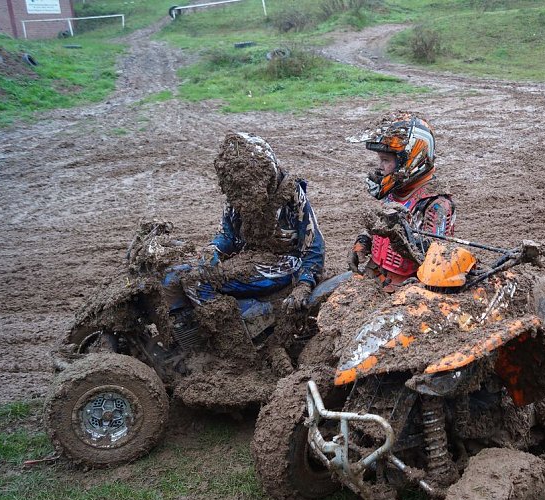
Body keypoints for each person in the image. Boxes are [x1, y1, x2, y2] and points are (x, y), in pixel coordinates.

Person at [164, 132, 325, 340]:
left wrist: (304, 283)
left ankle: (236, 336)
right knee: (175, 275)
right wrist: (212, 250)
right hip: (247, 258)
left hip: (283, 263)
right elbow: (227, 235)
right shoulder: (238, 197)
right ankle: (187, 333)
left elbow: (313, 245)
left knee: (198, 281)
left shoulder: (291, 195)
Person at [347, 111, 455, 291]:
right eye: (380, 159)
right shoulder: (395, 191)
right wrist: (363, 242)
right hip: (377, 274)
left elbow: (435, 258)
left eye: (385, 160)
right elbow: (377, 226)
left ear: (411, 159)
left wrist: (398, 236)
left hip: (410, 285)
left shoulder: (436, 204)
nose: (380, 167)